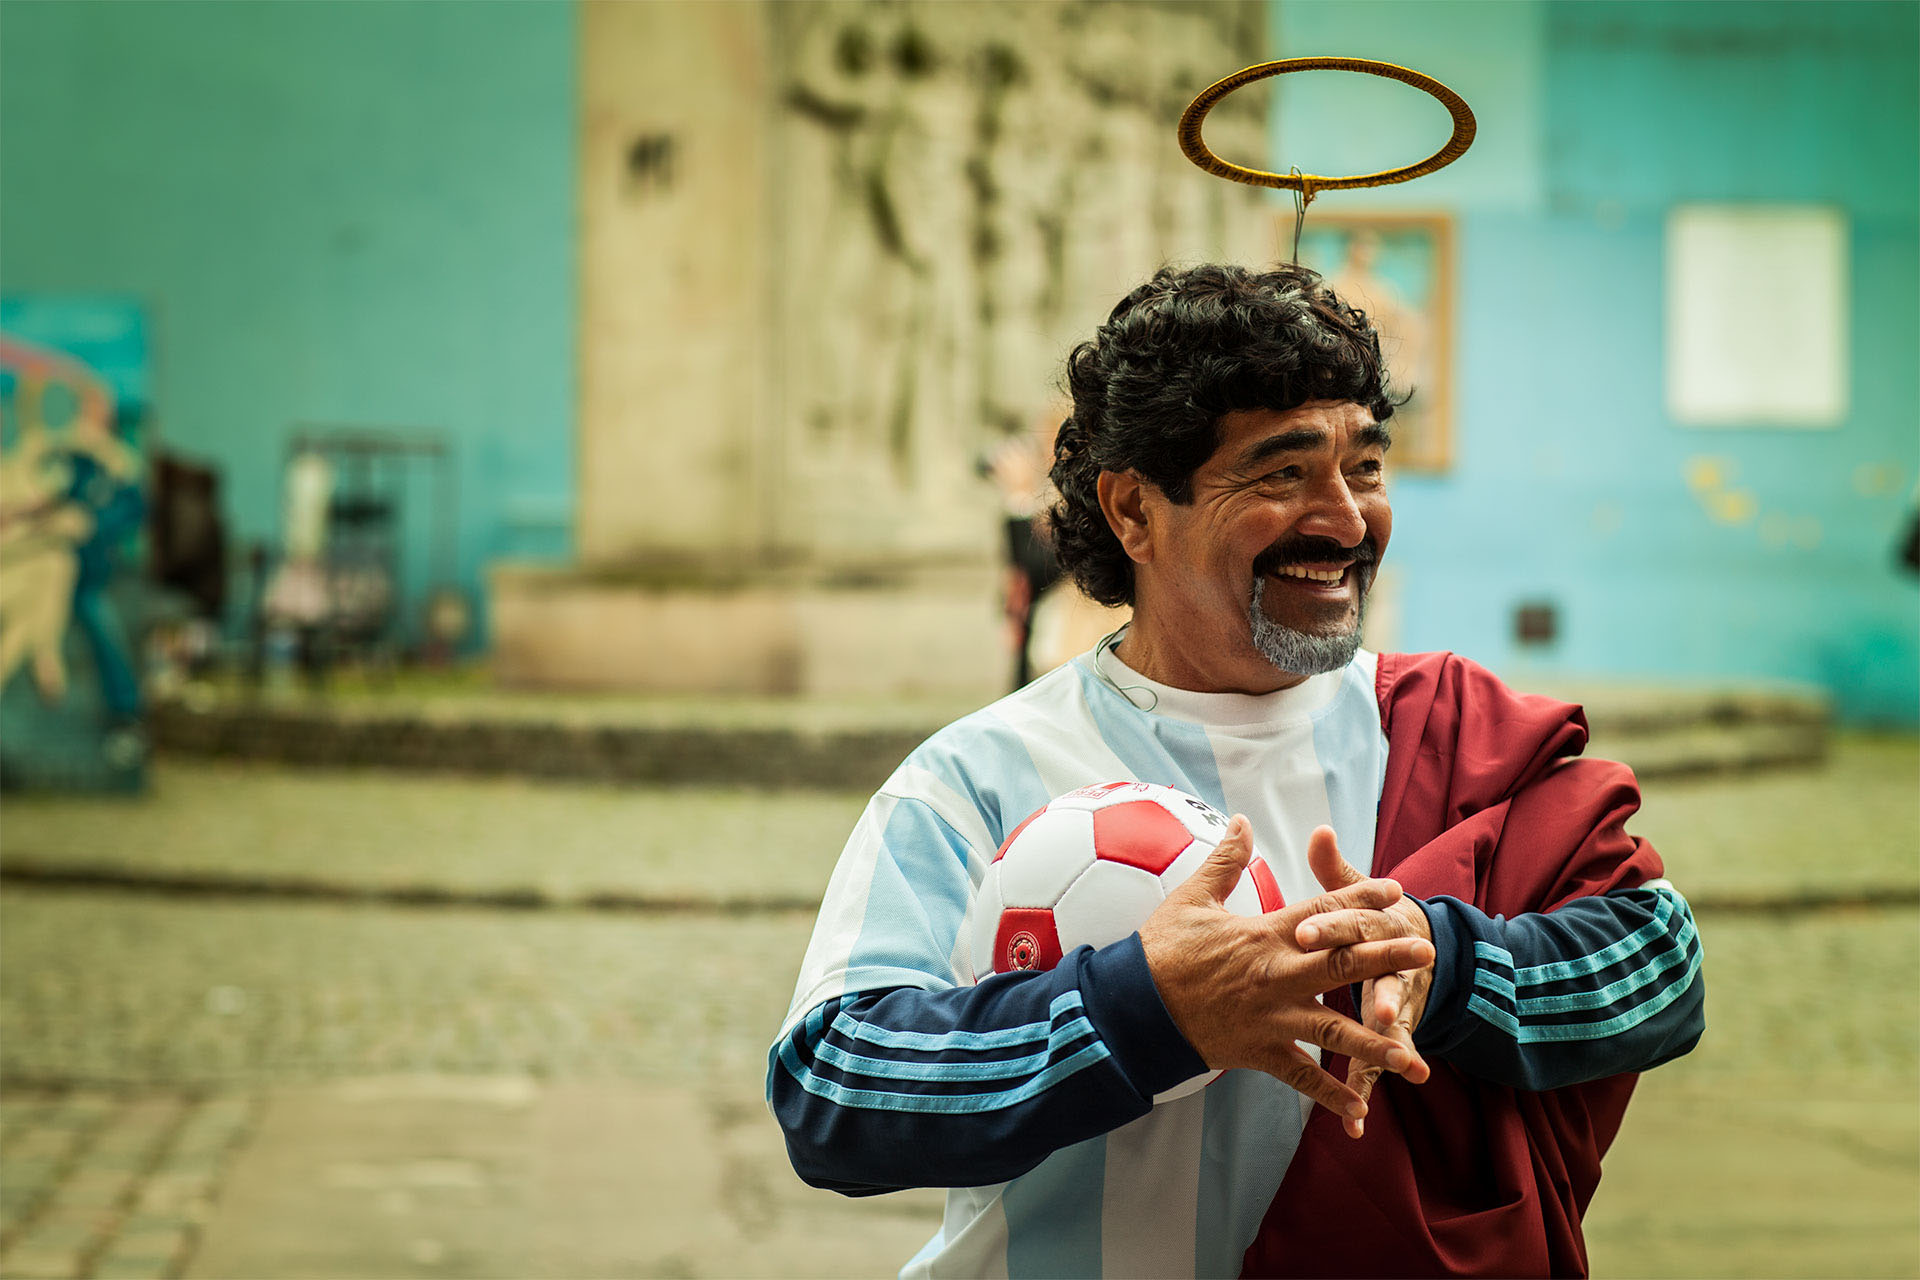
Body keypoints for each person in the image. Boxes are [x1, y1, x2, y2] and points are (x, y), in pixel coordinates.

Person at [768, 263, 1704, 1278]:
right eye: (1282, 473)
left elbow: (1660, 964)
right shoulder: (979, 776)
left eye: (1367, 468)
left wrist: (1450, 962)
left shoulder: (1455, 730)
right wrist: (1143, 1008)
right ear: (1132, 509)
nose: (1346, 520)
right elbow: (836, 1086)